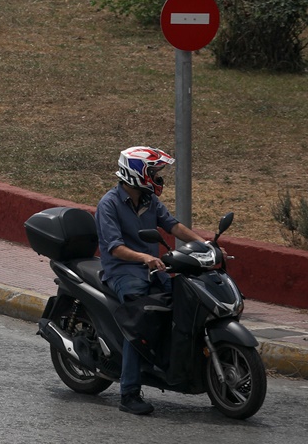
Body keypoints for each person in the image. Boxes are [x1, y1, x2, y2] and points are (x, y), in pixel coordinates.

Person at [95, 146, 207, 416]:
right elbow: (114, 248)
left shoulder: (149, 201)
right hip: (122, 272)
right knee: (140, 322)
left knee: (184, 299)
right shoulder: (108, 204)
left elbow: (173, 225)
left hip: (152, 269)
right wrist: (144, 258)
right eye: (154, 173)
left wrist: (205, 244)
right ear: (137, 173)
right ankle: (129, 393)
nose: (159, 178)